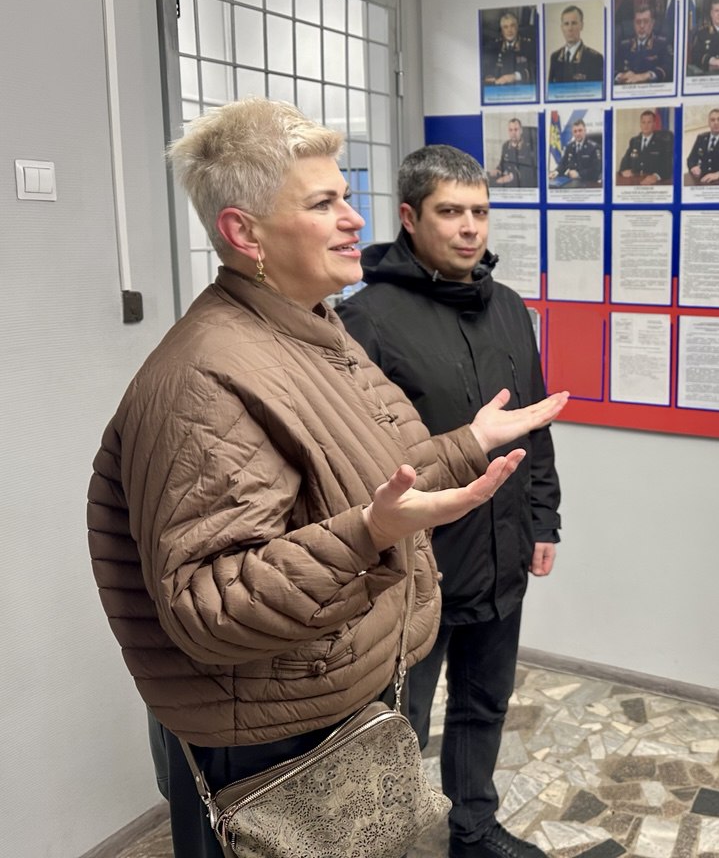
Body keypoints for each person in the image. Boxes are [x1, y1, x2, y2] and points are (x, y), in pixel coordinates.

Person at [85, 97, 568, 857]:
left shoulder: (315, 333)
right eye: (323, 203)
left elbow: (374, 476)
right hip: (266, 742)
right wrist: (368, 535)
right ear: (245, 233)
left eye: (346, 196)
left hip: (327, 703)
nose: (353, 219)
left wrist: (469, 443)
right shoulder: (204, 380)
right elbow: (211, 604)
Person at [337, 145, 561, 858]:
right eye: (451, 212)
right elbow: (354, 459)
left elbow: (533, 425)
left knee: (485, 702)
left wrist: (544, 519)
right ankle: (385, 844)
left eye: (480, 212)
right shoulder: (365, 319)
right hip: (416, 567)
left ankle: (474, 828)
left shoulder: (510, 309)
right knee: (398, 721)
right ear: (409, 217)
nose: (470, 228)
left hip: (502, 549)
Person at [614, 2, 673, 84]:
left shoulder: (662, 44)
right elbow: (611, 69)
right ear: (633, 24)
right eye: (638, 22)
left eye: (646, 21)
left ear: (652, 24)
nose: (641, 26)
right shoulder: (624, 46)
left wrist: (646, 76)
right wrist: (621, 76)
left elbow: (669, 68)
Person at [547, 5, 604, 84]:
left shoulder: (594, 58)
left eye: (574, 23)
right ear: (562, 27)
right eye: (566, 24)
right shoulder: (555, 57)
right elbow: (551, 89)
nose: (570, 28)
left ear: (581, 25)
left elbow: (597, 90)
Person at [618, 109, 673, 184]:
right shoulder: (634, 141)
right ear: (640, 124)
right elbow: (625, 161)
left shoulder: (662, 142)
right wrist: (623, 171)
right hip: (635, 181)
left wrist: (656, 176)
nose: (646, 125)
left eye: (649, 122)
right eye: (643, 122)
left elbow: (668, 166)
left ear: (654, 124)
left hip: (654, 183)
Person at [483, 11, 534, 86]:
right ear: (502, 30)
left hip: (522, 88)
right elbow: (487, 67)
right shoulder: (494, 46)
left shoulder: (528, 46)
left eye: (512, 26)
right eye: (505, 27)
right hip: (500, 89)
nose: (509, 30)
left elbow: (534, 70)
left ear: (517, 27)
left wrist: (515, 76)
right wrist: (489, 76)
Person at [551, 118, 601, 186]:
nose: (577, 133)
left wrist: (579, 174)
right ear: (572, 133)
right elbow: (563, 163)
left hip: (588, 183)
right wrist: (556, 172)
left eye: (580, 130)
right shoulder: (570, 147)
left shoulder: (594, 147)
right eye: (575, 131)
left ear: (585, 131)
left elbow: (597, 170)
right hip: (572, 182)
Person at [490, 118, 537, 188]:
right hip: (507, 177)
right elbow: (502, 163)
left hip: (521, 183)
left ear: (521, 131)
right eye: (510, 130)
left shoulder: (528, 148)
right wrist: (498, 169)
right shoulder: (505, 145)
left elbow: (528, 172)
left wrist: (510, 177)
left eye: (516, 129)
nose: (513, 133)